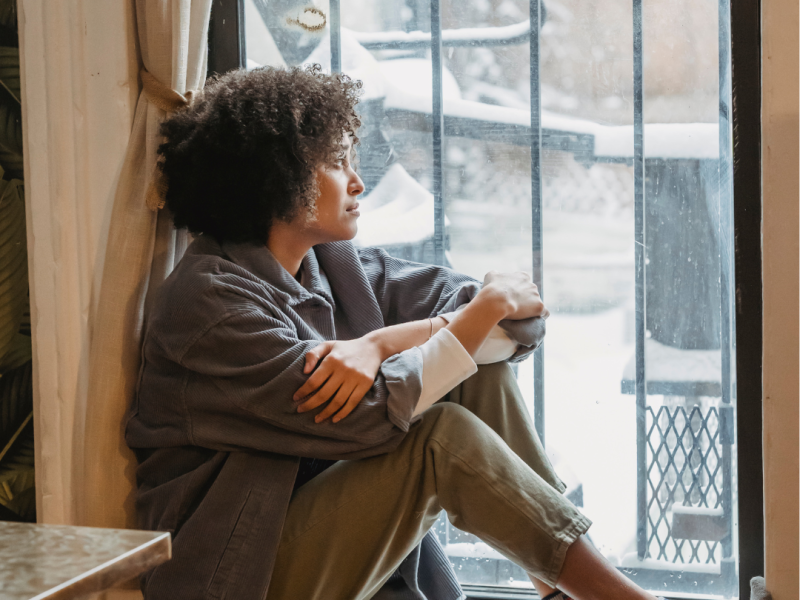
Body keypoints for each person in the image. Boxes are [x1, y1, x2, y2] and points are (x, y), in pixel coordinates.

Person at [126, 65, 663, 600]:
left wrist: (388, 339)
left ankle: (559, 590)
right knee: (438, 436)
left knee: (478, 378)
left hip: (327, 543)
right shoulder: (210, 304)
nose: (358, 181)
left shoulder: (335, 266)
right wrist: (473, 315)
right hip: (237, 574)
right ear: (273, 179)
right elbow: (367, 417)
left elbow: (518, 321)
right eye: (337, 163)